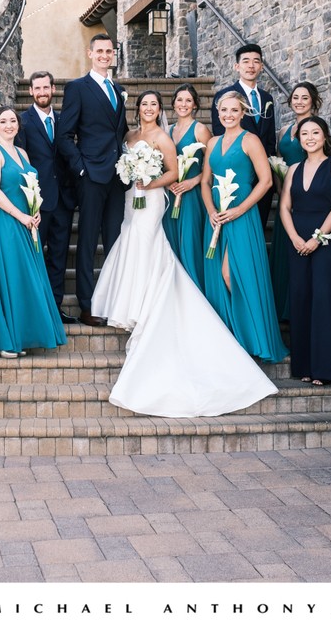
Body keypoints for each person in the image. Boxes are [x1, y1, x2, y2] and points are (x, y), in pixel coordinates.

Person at [92, 91, 277, 417]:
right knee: (131, 242)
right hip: (135, 199)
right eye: (144, 104)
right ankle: (132, 302)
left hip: (159, 199)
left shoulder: (172, 136)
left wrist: (150, 183)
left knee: (152, 243)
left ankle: (246, 333)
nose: (149, 108)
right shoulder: (131, 136)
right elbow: (202, 177)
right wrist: (133, 176)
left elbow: (178, 172)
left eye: (154, 104)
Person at [201, 91, 288, 363]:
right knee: (218, 276)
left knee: (235, 275)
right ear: (217, 111)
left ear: (243, 113)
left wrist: (240, 209)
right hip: (217, 216)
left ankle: (252, 339)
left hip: (242, 215)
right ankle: (229, 337)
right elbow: (205, 182)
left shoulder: (250, 140)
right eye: (224, 110)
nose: (228, 115)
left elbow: (265, 182)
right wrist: (211, 211)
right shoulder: (213, 142)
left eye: (234, 111)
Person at [0, 107, 67, 357]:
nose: (8, 125)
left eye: (12, 121)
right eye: (3, 121)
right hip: (3, 221)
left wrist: (35, 210)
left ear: (18, 125)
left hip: (25, 221)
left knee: (20, 278)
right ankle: (4, 340)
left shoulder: (22, 152)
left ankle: (18, 336)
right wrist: (21, 215)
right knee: (8, 274)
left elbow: (30, 186)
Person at [55, 33, 127, 327]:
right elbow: (64, 135)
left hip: (118, 176)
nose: (104, 55)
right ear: (90, 53)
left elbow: (118, 133)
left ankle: (112, 301)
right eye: (99, 51)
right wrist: (81, 168)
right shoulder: (78, 88)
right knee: (86, 241)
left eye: (109, 51)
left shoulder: (118, 89)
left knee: (114, 240)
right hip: (91, 176)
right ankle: (87, 304)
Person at [279, 117, 331, 385]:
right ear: (299, 138)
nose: (310, 137)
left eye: (315, 132)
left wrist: (317, 239)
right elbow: (285, 207)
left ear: (324, 136)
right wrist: (295, 237)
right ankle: (304, 366)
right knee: (300, 297)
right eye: (305, 133)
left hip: (326, 240)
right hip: (296, 239)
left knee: (323, 298)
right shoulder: (294, 169)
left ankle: (323, 369)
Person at [16, 70, 78, 323]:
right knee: (33, 254)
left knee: (59, 255)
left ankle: (54, 306)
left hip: (63, 199)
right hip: (36, 202)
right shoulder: (22, 121)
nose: (42, 92)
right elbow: (19, 161)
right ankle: (33, 308)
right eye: (37, 88)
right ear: (31, 91)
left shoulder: (65, 120)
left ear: (53, 89)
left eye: (46, 87)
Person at [210, 43, 277, 228]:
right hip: (236, 177)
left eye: (256, 61)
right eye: (246, 61)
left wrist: (267, 169)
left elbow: (270, 138)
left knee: (258, 230)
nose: (251, 66)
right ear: (236, 66)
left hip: (262, 179)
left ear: (262, 66)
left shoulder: (267, 99)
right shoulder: (224, 97)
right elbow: (221, 134)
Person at [270, 81, 320, 320]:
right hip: (285, 198)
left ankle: (301, 307)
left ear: (313, 101)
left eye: (304, 98)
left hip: (307, 199)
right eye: (296, 97)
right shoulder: (284, 131)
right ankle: (283, 307)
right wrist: (281, 192)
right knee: (284, 252)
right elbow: (279, 163)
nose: (299, 102)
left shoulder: (316, 129)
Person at [162, 83, 212, 291]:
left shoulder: (200, 130)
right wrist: (169, 180)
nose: (183, 104)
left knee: (190, 245)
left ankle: (196, 292)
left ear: (195, 105)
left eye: (188, 100)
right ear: (173, 104)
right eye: (180, 100)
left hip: (192, 195)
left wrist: (194, 181)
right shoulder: (168, 131)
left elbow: (212, 165)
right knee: (172, 245)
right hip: (172, 194)